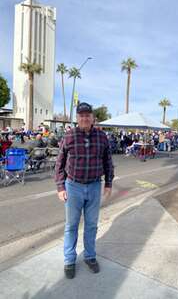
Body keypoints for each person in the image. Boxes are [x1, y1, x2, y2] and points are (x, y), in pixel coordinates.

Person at [55, 102, 114, 279]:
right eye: (81, 115)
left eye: (88, 115)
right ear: (77, 118)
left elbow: (108, 161)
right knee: (71, 225)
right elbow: (59, 162)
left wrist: (109, 183)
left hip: (95, 186)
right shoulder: (69, 136)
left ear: (93, 117)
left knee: (91, 225)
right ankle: (69, 260)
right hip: (73, 186)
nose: (85, 118)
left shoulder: (102, 136)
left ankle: (89, 257)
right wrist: (60, 187)